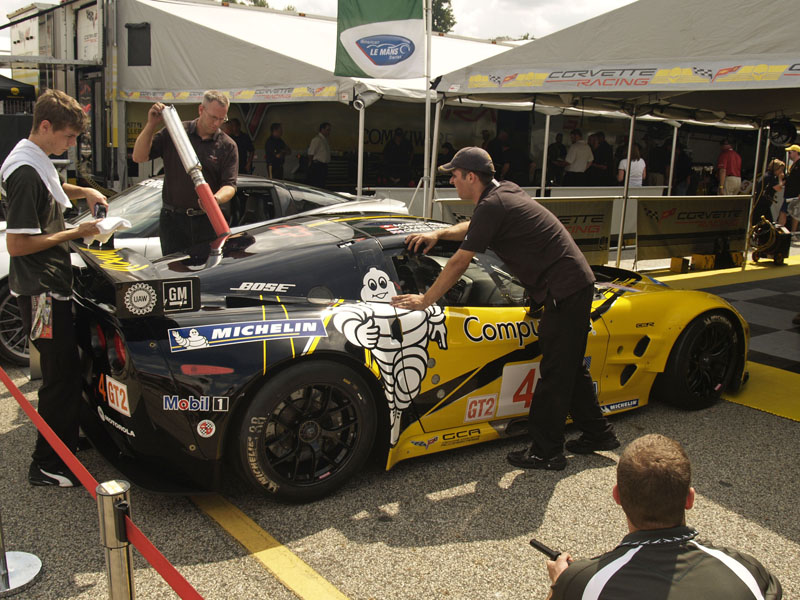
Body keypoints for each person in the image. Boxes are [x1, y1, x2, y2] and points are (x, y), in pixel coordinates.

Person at [390, 147, 617, 471]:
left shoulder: (494, 204)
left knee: (555, 372)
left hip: (563, 290)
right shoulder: (503, 193)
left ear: (471, 176)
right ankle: (599, 433)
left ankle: (546, 452)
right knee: (568, 365)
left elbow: (459, 261)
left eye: (454, 175)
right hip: (571, 285)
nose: (451, 180)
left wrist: (426, 300)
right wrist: (439, 233)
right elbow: (472, 227)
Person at [0, 89, 108, 487]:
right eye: (66, 137)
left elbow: (56, 189)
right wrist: (74, 232)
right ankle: (47, 463)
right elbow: (17, 243)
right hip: (41, 291)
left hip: (50, 284)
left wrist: (86, 191)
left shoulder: (31, 157)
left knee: (67, 367)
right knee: (58, 375)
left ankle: (64, 438)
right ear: (44, 127)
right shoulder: (25, 171)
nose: (71, 144)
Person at [545, 434, 782, 599]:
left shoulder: (584, 583)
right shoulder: (748, 571)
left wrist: (560, 585)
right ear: (690, 499)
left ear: (617, 497)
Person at [132, 90, 238, 255]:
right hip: (174, 220)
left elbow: (230, 185)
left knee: (207, 272)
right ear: (201, 110)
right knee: (173, 272)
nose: (217, 123)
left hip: (207, 220)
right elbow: (139, 156)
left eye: (222, 119)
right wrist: (151, 124)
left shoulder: (227, 145)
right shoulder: (176, 133)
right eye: (213, 117)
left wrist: (214, 199)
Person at [752, 159, 785, 225]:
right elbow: (778, 188)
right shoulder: (770, 177)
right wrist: (780, 179)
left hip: (764, 203)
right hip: (762, 203)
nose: (781, 172)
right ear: (775, 168)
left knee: (764, 221)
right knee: (763, 221)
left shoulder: (768, 175)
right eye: (780, 170)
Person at [779, 144, 800, 234]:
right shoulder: (793, 165)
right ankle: (790, 232)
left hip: (795, 194)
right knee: (793, 213)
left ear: (796, 152)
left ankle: (782, 231)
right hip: (790, 193)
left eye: (790, 152)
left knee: (785, 212)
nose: (789, 154)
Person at [307, 122, 332, 188]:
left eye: (329, 130)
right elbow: (311, 153)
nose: (329, 132)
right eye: (327, 130)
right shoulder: (317, 139)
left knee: (322, 184)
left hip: (323, 166)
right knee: (317, 184)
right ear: (322, 130)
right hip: (318, 165)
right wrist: (310, 163)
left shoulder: (324, 140)